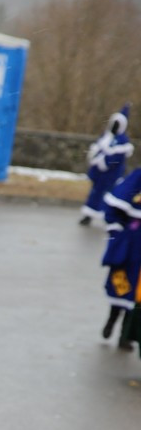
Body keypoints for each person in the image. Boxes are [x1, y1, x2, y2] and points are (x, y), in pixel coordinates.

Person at [100, 166, 141, 348]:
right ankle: (111, 319)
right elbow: (114, 209)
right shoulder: (137, 177)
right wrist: (117, 233)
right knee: (121, 284)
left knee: (138, 293)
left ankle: (125, 335)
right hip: (129, 246)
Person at [79, 104, 133, 227]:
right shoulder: (106, 136)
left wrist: (105, 162)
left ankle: (110, 218)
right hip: (100, 173)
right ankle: (89, 215)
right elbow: (97, 149)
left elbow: (117, 158)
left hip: (111, 174)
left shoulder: (122, 141)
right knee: (95, 194)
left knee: (109, 196)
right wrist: (96, 159)